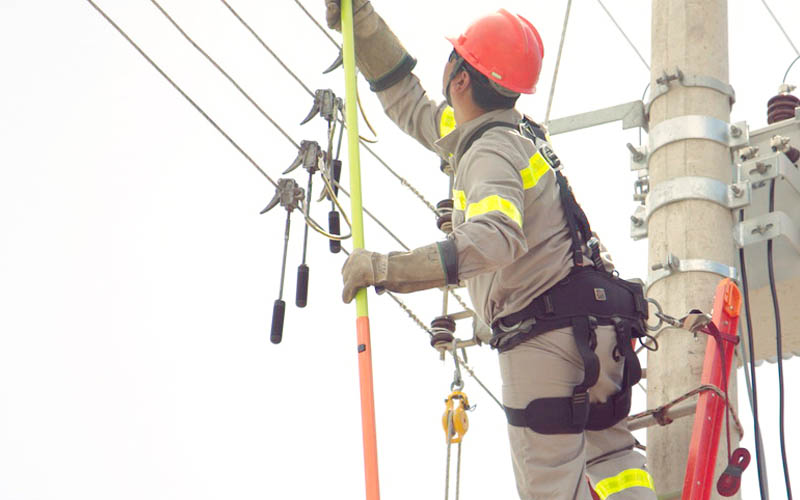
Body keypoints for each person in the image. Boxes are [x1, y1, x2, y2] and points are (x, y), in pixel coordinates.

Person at [326, 1, 658, 498]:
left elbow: (495, 236)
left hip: (547, 339)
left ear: (460, 79)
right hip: (601, 329)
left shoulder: (488, 151)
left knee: (550, 485)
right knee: (614, 461)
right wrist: (363, 23)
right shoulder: (509, 134)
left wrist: (385, 268)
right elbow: (412, 105)